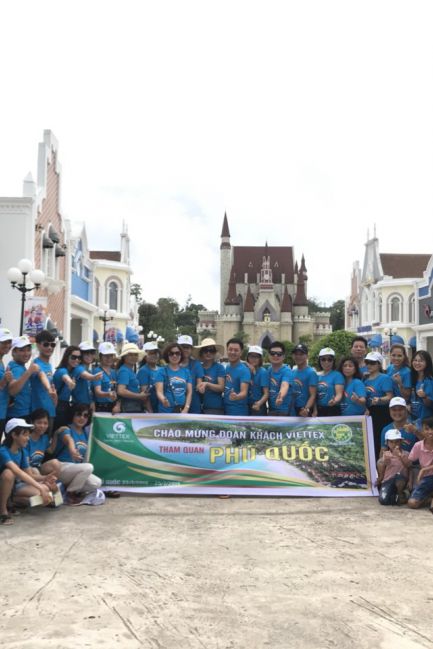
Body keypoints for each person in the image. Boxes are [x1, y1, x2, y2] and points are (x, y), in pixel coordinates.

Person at [0, 418, 52, 525]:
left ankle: (12, 501)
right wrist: (39, 486)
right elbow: (18, 472)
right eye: (25, 435)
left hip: (13, 486)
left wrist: (45, 478)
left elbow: (29, 475)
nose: (28, 438)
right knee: (8, 473)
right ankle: (3, 510)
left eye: (28, 435)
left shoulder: (22, 451)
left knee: (45, 491)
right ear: (14, 435)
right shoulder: (3, 450)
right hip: (5, 483)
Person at [55, 403, 103, 504]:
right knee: (88, 467)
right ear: (72, 415)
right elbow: (69, 440)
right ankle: (70, 494)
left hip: (77, 471)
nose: (82, 418)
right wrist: (72, 450)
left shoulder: (85, 433)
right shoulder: (66, 429)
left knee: (96, 483)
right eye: (78, 414)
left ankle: (65, 489)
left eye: (85, 416)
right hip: (63, 468)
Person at [53, 346, 101, 428]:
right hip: (58, 405)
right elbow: (66, 378)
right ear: (67, 357)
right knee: (59, 431)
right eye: (73, 357)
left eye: (79, 358)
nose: (76, 360)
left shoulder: (72, 370)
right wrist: (70, 383)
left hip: (65, 405)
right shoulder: (63, 370)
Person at [7, 335, 51, 422]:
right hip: (17, 415)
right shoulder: (16, 368)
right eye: (22, 350)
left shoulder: (20, 366)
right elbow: (12, 391)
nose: (26, 353)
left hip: (21, 413)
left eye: (28, 350)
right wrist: (29, 371)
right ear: (13, 352)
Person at [363, 351, 393, 459]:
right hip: (369, 412)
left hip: (382, 412)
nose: (369, 365)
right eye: (367, 362)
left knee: (380, 440)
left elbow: (390, 396)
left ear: (379, 364)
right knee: (371, 441)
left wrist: (379, 399)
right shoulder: (365, 380)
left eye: (372, 363)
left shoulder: (384, 378)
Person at [31, 330, 58, 433]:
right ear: (38, 345)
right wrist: (48, 388)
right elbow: (42, 376)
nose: (50, 347)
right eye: (46, 344)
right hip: (38, 415)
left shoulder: (49, 365)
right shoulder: (36, 364)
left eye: (52, 345)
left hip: (50, 412)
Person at [155, 343, 192, 413]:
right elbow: (159, 391)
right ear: (167, 355)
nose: (174, 355)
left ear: (181, 355)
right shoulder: (161, 371)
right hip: (165, 411)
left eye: (177, 353)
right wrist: (163, 400)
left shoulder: (186, 372)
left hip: (181, 410)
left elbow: (189, 392)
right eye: (171, 353)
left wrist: (186, 408)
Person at [376, 430, 411, 506]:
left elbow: (409, 466)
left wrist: (399, 455)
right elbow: (383, 464)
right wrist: (386, 460)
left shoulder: (406, 454)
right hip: (388, 480)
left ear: (401, 442)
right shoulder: (386, 454)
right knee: (383, 500)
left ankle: (400, 493)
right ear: (387, 443)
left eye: (397, 442)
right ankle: (398, 497)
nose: (394, 444)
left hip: (401, 480)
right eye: (391, 442)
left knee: (398, 477)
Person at [407, 416, 433, 511]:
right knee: (412, 503)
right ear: (422, 430)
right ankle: (429, 498)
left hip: (426, 474)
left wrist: (424, 469)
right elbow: (408, 463)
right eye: (427, 429)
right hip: (426, 478)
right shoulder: (418, 445)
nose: (430, 432)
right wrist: (399, 455)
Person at [195, 338, 225, 415]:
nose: (208, 353)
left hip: (215, 408)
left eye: (211, 350)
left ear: (215, 353)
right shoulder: (197, 367)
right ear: (201, 352)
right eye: (205, 350)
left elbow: (221, 388)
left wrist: (207, 384)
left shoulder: (219, 367)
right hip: (197, 408)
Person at [116, 343, 148, 413]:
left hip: (132, 406)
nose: (133, 357)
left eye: (135, 354)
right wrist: (139, 396)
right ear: (124, 357)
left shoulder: (129, 370)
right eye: (130, 355)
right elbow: (121, 391)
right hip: (128, 407)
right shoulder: (124, 371)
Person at [223, 338, 251, 416]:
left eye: (236, 350)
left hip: (238, 412)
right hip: (225, 409)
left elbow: (244, 392)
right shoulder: (227, 367)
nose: (232, 352)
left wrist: (236, 396)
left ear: (241, 352)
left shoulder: (244, 370)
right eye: (230, 349)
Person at [177, 335, 204, 415]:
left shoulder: (196, 364)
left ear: (191, 349)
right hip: (176, 404)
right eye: (183, 347)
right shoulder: (173, 364)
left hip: (193, 404)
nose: (185, 350)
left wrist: (200, 387)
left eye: (187, 347)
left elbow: (199, 382)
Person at [316, 347, 344, 417]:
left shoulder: (337, 375)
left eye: (330, 359)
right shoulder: (316, 375)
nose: (326, 362)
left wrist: (334, 401)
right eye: (323, 359)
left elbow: (339, 394)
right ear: (319, 360)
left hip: (332, 409)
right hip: (318, 410)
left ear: (333, 361)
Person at [291, 344, 317, 417]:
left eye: (301, 354)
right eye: (296, 354)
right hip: (293, 409)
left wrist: (306, 409)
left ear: (307, 356)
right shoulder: (292, 372)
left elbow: (313, 395)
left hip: (305, 410)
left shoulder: (311, 372)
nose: (298, 357)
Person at [267, 341, 292, 416]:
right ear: (269, 355)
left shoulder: (287, 370)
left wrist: (280, 396)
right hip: (271, 410)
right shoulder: (269, 370)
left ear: (283, 356)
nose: (275, 356)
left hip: (284, 412)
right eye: (272, 353)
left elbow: (285, 385)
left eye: (279, 354)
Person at [93, 342, 119, 413]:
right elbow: (97, 392)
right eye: (106, 356)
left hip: (114, 407)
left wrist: (117, 405)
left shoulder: (114, 372)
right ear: (100, 356)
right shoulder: (97, 371)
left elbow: (118, 391)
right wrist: (108, 394)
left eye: (111, 355)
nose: (109, 358)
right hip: (102, 407)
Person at [136, 342, 161, 414]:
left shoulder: (161, 369)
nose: (154, 355)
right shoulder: (143, 371)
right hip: (151, 410)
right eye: (151, 353)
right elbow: (145, 395)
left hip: (161, 408)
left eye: (156, 353)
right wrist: (150, 412)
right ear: (145, 356)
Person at [410, 350, 433, 422]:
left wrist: (424, 396)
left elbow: (430, 404)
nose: (417, 363)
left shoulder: (429, 380)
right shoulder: (413, 377)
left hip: (426, 420)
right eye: (415, 360)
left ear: (427, 363)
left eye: (421, 361)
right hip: (414, 417)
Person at [246, 345, 269, 416]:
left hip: (259, 406)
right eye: (251, 356)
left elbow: (266, 394)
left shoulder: (263, 372)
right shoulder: (245, 370)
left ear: (260, 358)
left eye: (256, 357)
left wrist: (259, 403)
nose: (254, 359)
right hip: (246, 405)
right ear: (248, 357)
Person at [0, 328, 13, 440]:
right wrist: (3, 381)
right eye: (3, 342)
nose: (7, 345)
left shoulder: (2, 361)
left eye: (9, 342)